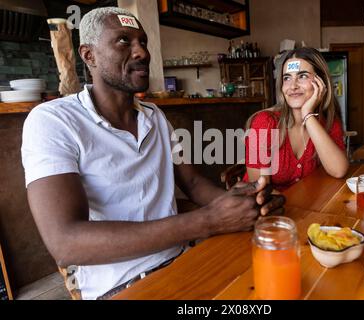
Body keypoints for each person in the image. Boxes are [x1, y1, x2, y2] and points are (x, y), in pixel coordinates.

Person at [21, 7, 285, 300]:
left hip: (184, 261)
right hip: (122, 286)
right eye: (124, 41)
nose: (142, 53)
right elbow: (65, 243)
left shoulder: (154, 116)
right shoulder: (54, 121)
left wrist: (248, 203)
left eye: (143, 41)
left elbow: (194, 184)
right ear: (88, 55)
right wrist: (208, 221)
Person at [243, 48, 349, 191]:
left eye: (302, 76)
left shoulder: (329, 121)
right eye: (287, 78)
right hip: (270, 209)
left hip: (305, 204)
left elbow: (339, 170)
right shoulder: (264, 122)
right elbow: (259, 189)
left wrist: (308, 115)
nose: (293, 86)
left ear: (321, 82)